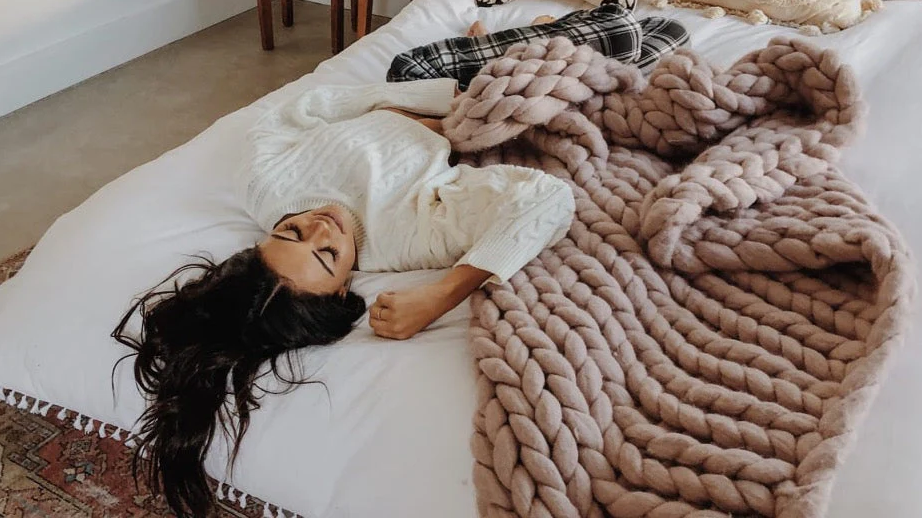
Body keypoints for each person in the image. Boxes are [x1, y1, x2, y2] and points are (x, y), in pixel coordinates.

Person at [112, 78, 575, 517]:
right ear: (342, 289)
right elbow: (547, 199)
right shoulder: (407, 238)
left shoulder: (263, 185)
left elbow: (305, 107)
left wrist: (421, 102)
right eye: (328, 253)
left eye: (290, 231)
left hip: (419, 84)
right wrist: (441, 295)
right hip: (468, 107)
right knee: (598, 50)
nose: (320, 224)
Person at [387, 3, 688, 91]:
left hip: (505, 91)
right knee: (625, 30)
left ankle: (543, 40)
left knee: (669, 31)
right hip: (419, 76)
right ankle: (547, 39)